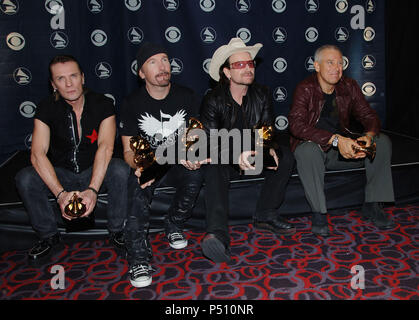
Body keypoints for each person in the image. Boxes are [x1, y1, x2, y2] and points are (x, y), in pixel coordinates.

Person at [15, 55, 130, 262]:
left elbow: (105, 148)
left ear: (83, 78)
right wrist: (60, 195)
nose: (69, 84)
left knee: (120, 169)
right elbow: (37, 153)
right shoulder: (46, 107)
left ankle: (117, 231)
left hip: (94, 170)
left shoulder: (102, 104)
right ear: (53, 84)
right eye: (61, 79)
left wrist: (93, 190)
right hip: (63, 173)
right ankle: (48, 236)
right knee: (25, 178)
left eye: (73, 76)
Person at [199, 37, 296, 263]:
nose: (248, 68)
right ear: (227, 73)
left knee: (285, 155)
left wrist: (267, 147)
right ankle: (217, 234)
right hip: (226, 158)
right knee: (214, 164)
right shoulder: (213, 100)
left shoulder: (261, 94)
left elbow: (267, 129)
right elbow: (211, 143)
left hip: (252, 154)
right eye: (239, 65)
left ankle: (266, 214)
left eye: (250, 63)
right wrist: (236, 154)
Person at [120, 42, 206, 288]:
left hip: (177, 159)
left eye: (165, 60)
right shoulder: (132, 103)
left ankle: (174, 223)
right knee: (138, 184)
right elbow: (127, 149)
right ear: (141, 73)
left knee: (195, 174)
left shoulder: (187, 95)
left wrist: (192, 154)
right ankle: (137, 258)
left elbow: (194, 136)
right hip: (150, 162)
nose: (162, 66)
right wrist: (138, 165)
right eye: (153, 62)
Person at [288, 44, 395, 237]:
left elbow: (369, 116)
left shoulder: (349, 86)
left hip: (344, 149)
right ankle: (319, 214)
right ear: (317, 66)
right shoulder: (305, 88)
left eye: (340, 63)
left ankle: (373, 205)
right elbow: (296, 126)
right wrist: (335, 140)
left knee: (382, 142)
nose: (336, 68)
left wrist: (368, 137)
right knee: (307, 150)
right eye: (330, 63)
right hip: (319, 149)